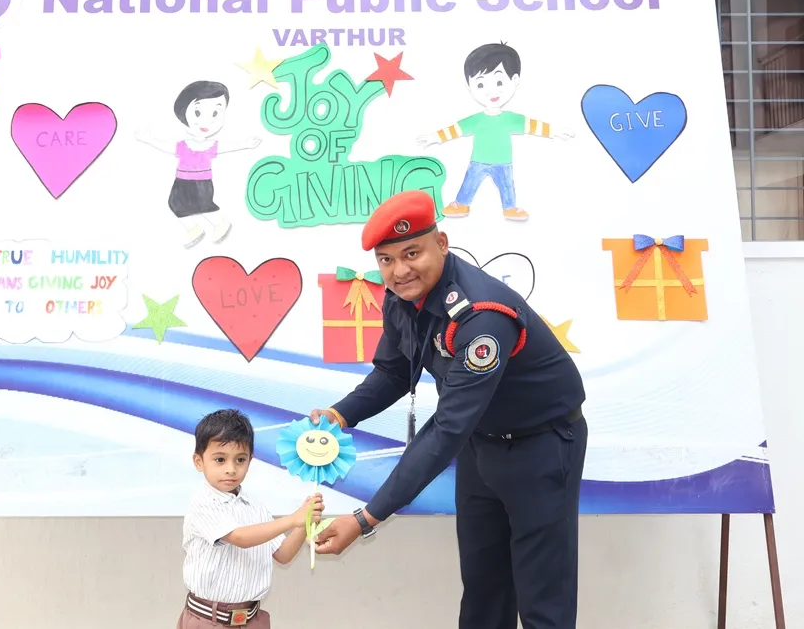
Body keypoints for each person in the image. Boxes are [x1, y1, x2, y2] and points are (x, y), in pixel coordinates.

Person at [312, 189, 588, 629]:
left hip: (541, 447)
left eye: (412, 253)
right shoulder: (403, 297)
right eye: (386, 260)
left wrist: (366, 518)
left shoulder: (481, 317)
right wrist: (341, 414)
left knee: (543, 598)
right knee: (483, 588)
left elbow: (447, 428)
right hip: (480, 444)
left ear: (441, 243)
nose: (400, 270)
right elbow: (394, 371)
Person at [178, 409, 323, 628]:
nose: (231, 469)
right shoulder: (203, 503)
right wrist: (293, 519)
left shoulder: (256, 506)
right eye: (220, 459)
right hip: (208, 620)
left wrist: (304, 521)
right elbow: (240, 538)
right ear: (199, 462)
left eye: (240, 460)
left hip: (252, 619)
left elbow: (283, 554)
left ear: (250, 460)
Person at [416, 42, 574, 222]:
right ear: (469, 85)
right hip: (478, 161)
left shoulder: (511, 119)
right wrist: (435, 137)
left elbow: (532, 125)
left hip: (503, 163)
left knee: (507, 186)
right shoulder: (476, 119)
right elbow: (455, 129)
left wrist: (555, 131)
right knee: (469, 183)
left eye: (499, 82)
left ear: (515, 81)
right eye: (480, 84)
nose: (491, 91)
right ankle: (461, 204)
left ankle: (510, 208)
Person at [135, 80, 262, 248]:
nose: (206, 121)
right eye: (198, 112)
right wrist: (149, 139)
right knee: (176, 204)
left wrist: (245, 144)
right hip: (181, 182)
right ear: (183, 112)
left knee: (203, 206)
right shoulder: (183, 145)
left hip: (202, 182)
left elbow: (226, 147)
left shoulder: (210, 145)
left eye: (215, 113)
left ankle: (220, 224)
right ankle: (194, 229)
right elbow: (167, 146)